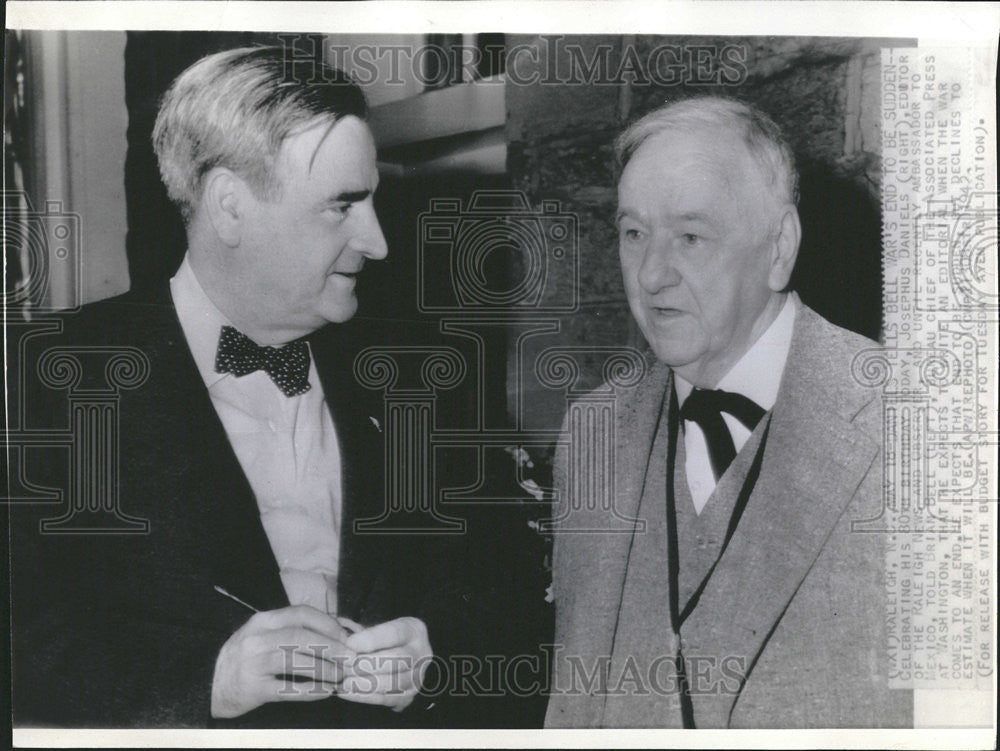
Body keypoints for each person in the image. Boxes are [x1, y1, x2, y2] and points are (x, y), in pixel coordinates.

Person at [11, 45, 544, 729]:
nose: (377, 240)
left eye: (371, 200)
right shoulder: (43, 380)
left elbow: (520, 602)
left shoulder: (429, 376)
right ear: (230, 207)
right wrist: (205, 684)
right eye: (341, 206)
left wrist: (436, 662)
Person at [544, 96, 912, 728]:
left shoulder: (915, 426)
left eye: (690, 236)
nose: (652, 273)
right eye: (634, 233)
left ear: (779, 247)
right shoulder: (591, 433)